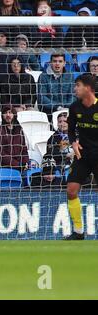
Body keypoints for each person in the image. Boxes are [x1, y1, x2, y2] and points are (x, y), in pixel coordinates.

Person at [65, 74, 98, 240]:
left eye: (78, 85)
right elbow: (71, 130)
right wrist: (74, 143)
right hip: (83, 156)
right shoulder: (74, 107)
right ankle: (78, 232)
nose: (75, 88)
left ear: (88, 88)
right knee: (71, 191)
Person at [0, 105, 29, 172]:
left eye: (10, 112)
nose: (8, 115)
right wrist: (17, 164)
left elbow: (24, 150)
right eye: (5, 113)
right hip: (1, 168)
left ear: (14, 115)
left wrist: (25, 163)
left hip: (18, 168)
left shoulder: (19, 130)